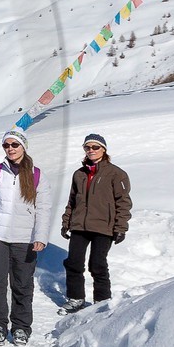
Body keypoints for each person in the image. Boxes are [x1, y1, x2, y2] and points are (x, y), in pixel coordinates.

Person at [0, 129, 50, 345]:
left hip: (25, 238)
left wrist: (40, 236)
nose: (10, 149)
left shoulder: (37, 175)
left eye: (14, 145)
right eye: (6, 145)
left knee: (23, 284)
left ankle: (21, 327)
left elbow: (43, 208)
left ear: (23, 147)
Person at [59, 133, 132, 313]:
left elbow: (123, 202)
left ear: (104, 149)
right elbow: (72, 201)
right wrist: (66, 222)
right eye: (87, 147)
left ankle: (102, 302)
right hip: (79, 226)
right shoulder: (79, 174)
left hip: (103, 227)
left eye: (95, 147)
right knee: (74, 262)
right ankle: (76, 298)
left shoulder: (116, 174)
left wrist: (121, 227)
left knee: (97, 264)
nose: (91, 150)